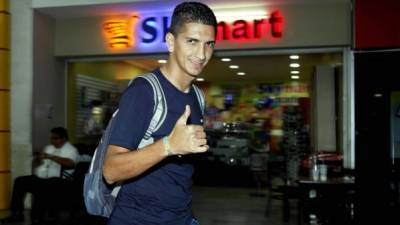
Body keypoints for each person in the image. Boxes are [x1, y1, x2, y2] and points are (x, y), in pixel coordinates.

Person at [102, 2, 217, 225]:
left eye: (209, 44)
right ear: (171, 42)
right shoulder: (144, 92)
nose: (202, 54)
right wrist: (168, 146)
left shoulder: (197, 96)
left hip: (181, 217)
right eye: (192, 41)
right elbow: (111, 170)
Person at [1, 127, 79, 224]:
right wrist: (39, 158)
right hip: (42, 177)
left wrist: (51, 157)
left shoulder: (71, 150)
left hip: (60, 180)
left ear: (63, 139)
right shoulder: (49, 148)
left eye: (55, 138)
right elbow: (41, 162)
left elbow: (70, 164)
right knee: (20, 181)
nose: (52, 141)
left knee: (43, 187)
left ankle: (37, 216)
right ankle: (16, 214)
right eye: (51, 138)